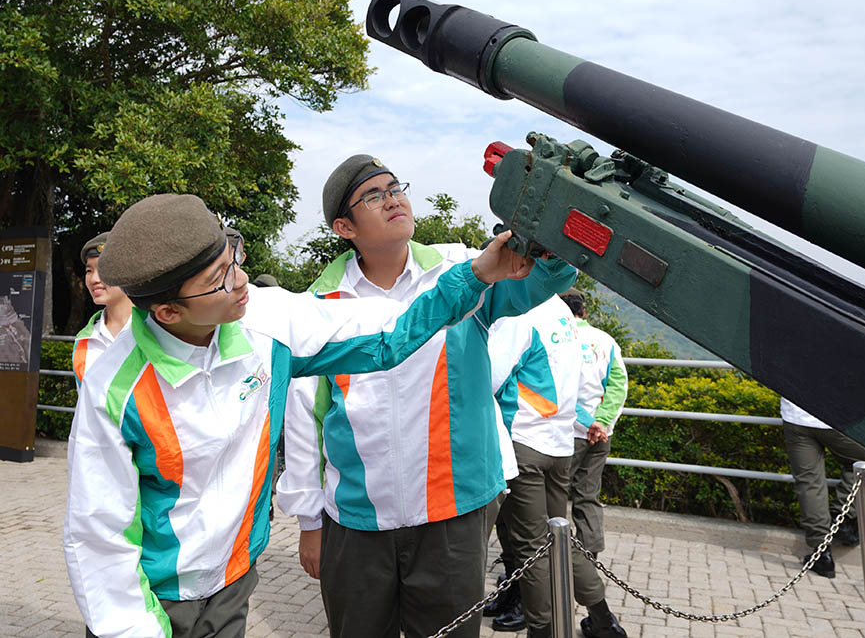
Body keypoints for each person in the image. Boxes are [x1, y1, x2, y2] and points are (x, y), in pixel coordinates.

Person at [64, 193, 531, 638]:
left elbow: (389, 331)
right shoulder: (114, 388)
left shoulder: (265, 321)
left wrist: (477, 275)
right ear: (168, 312)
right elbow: (98, 535)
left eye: (233, 258)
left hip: (232, 583)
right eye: (219, 280)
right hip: (149, 600)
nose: (242, 281)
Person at [276, 154, 576, 638]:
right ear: (344, 227)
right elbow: (304, 421)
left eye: (395, 187)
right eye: (373, 196)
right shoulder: (317, 304)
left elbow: (545, 278)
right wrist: (309, 521)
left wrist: (553, 235)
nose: (393, 199)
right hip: (356, 515)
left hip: (452, 511)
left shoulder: (464, 270)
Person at [489, 294, 625, 638]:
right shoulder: (562, 313)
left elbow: (488, 378)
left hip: (524, 442)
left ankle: (543, 630)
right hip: (560, 445)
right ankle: (603, 620)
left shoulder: (520, 312)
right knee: (561, 536)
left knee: (531, 545)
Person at [560, 288, 628, 638]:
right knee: (588, 498)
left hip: (567, 433)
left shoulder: (559, 336)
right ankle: (588, 560)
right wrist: (601, 422)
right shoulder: (606, 340)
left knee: (553, 504)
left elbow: (557, 387)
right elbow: (618, 384)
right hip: (600, 436)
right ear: (584, 310)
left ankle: (567, 569)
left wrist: (587, 422)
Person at [781, 397, 865, 579]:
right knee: (861, 465)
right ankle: (842, 521)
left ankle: (822, 554)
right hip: (838, 417)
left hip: (796, 416)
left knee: (808, 483)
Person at [72, 232, 133, 384]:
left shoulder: (157, 330)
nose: (94, 279)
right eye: (89, 271)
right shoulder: (84, 339)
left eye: (104, 269)